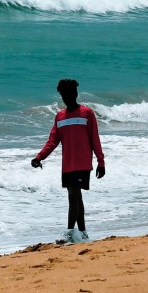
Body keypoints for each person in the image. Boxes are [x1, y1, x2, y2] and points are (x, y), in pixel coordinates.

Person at [31, 78, 105, 243]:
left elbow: (95, 139)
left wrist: (101, 162)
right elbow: (52, 141)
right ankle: (83, 233)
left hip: (83, 163)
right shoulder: (60, 117)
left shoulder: (87, 113)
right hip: (67, 165)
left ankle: (71, 232)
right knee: (76, 197)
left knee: (73, 195)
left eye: (69, 94)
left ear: (76, 94)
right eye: (63, 94)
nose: (66, 97)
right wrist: (39, 157)